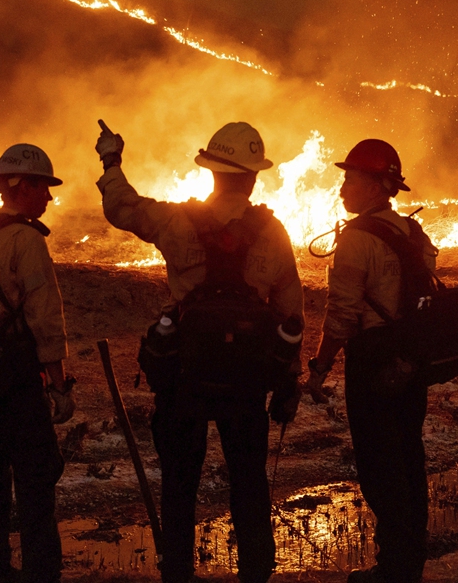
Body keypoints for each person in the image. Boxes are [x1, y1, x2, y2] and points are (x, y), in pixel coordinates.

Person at [95, 121, 304, 583]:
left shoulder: (177, 221)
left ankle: (179, 573)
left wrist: (111, 161)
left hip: (185, 377)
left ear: (211, 170)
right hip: (247, 383)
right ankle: (255, 570)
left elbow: (123, 208)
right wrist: (289, 381)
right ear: (252, 177)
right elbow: (291, 314)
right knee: (250, 483)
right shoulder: (273, 232)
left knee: (179, 485)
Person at [305, 139, 439, 583]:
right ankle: (409, 560)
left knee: (381, 466)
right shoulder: (413, 233)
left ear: (378, 185)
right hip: (410, 361)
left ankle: (394, 568)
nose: (343, 186)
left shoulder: (358, 239)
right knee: (408, 456)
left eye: (351, 178)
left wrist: (320, 367)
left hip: (373, 361)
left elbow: (341, 315)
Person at [0, 143, 75, 583]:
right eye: (44, 188)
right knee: (37, 486)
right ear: (24, 186)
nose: (49, 198)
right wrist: (59, 386)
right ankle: (41, 574)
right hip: (18, 383)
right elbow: (45, 319)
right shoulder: (25, 240)